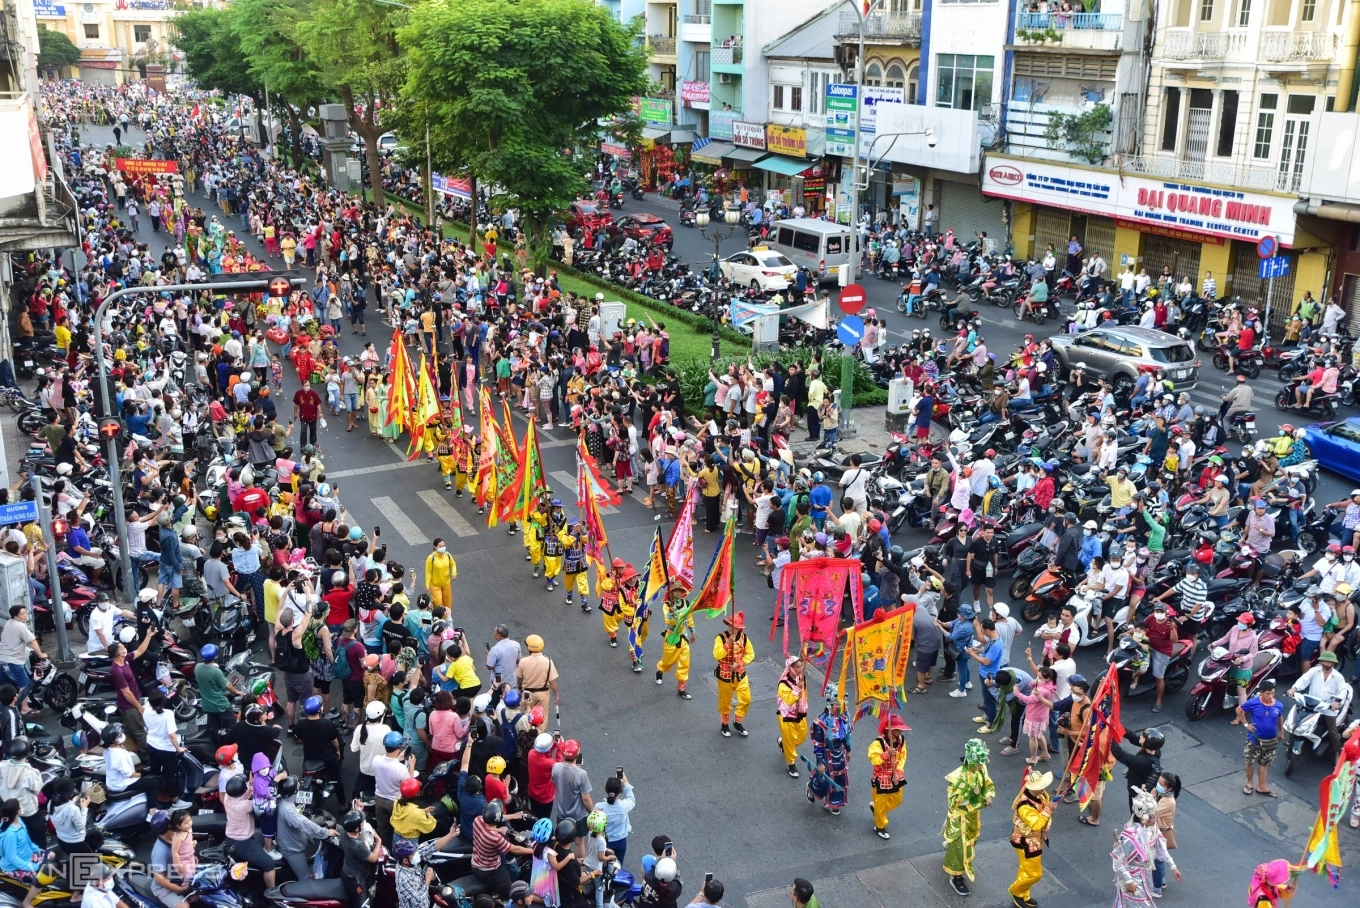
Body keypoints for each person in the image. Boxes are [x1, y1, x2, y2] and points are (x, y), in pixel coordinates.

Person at [942, 738, 995, 897]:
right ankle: (956, 876)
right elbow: (953, 802)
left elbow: (988, 785)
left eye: (981, 763)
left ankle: (950, 847)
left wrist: (988, 795)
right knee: (960, 847)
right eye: (978, 762)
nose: (981, 766)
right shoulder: (958, 777)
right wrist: (970, 793)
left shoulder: (981, 769)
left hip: (973, 817)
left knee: (970, 843)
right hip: (960, 819)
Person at [1111, 789, 1179, 907]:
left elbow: (1161, 848)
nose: (1155, 819)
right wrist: (1128, 881)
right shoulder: (1130, 836)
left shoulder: (1153, 828)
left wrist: (1172, 866)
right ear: (1144, 818)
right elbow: (1117, 860)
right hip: (1133, 876)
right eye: (1152, 817)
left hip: (1146, 874)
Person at [1287, 650, 1349, 758]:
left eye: (1328, 662)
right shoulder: (1314, 671)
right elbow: (1304, 680)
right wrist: (1294, 688)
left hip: (1328, 707)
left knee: (1333, 731)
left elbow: (1342, 690)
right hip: (1311, 703)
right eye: (1323, 661)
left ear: (1333, 664)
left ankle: (1337, 755)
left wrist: (1336, 701)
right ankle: (1291, 740)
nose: (1325, 663)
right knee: (1296, 720)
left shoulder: (1338, 677)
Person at [276, 775, 339, 881]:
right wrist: (326, 832)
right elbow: (304, 824)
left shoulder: (280, 800)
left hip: (290, 837)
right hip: (292, 849)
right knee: (305, 878)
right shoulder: (289, 812)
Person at [223, 773, 278, 888]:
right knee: (269, 865)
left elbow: (246, 792)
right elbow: (264, 801)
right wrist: (275, 783)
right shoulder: (243, 806)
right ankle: (272, 894)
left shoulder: (228, 797)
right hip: (242, 843)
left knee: (260, 836)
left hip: (235, 838)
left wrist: (251, 782)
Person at [1008, 769, 1053, 908]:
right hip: (1025, 842)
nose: (1043, 789)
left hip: (1034, 840)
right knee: (1035, 874)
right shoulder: (1024, 806)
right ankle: (1015, 891)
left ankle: (1023, 894)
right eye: (1040, 787)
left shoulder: (1040, 795)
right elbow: (1036, 824)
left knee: (1025, 869)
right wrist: (1048, 810)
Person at [471, 800, 535, 898]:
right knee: (511, 892)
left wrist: (511, 818)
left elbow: (488, 827)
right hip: (490, 871)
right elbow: (515, 850)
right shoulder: (495, 838)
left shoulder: (477, 820)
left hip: (476, 862)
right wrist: (533, 850)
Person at [807, 684, 851, 815]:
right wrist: (820, 762)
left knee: (839, 778)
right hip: (826, 754)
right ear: (830, 704)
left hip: (839, 753)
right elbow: (819, 744)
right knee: (824, 779)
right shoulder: (820, 722)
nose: (840, 706)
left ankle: (832, 803)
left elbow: (845, 736)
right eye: (837, 704)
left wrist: (848, 750)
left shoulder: (843, 718)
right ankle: (811, 788)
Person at [867, 712, 909, 839]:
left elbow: (903, 756)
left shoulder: (901, 740)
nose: (900, 731)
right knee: (881, 802)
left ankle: (878, 810)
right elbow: (874, 759)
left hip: (896, 775)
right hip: (882, 777)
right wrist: (885, 755)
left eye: (901, 729)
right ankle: (880, 826)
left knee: (898, 799)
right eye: (897, 729)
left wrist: (900, 771)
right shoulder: (878, 743)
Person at [713, 612, 754, 738]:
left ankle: (737, 722)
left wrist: (740, 663)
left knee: (746, 699)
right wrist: (727, 644)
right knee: (725, 703)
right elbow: (717, 654)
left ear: (739, 628)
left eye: (735, 627)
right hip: (725, 677)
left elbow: (750, 654)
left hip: (740, 675)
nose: (732, 629)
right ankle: (724, 724)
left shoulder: (744, 638)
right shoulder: (720, 638)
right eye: (730, 626)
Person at [552, 739, 594, 859]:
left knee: (563, 841)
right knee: (579, 842)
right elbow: (586, 797)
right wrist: (592, 811)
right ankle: (579, 869)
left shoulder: (555, 767)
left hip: (561, 812)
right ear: (577, 754)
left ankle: (562, 863)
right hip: (578, 815)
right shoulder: (581, 774)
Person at [656, 584, 695, 700]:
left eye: (679, 591)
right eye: (675, 591)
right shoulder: (667, 605)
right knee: (668, 661)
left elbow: (689, 619)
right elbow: (669, 622)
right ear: (671, 593)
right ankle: (660, 671)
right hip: (672, 637)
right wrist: (671, 612)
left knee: (685, 663)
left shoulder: (686, 603)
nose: (677, 593)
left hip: (683, 637)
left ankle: (681, 688)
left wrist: (692, 632)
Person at [196, 643, 243, 740]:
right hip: (220, 704)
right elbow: (228, 685)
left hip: (207, 705)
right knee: (232, 723)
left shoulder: (198, 668)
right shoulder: (216, 672)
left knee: (215, 728)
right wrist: (237, 691)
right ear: (215, 657)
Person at [339, 806, 383, 908]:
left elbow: (350, 820)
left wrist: (357, 810)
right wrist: (379, 841)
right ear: (356, 828)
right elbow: (373, 858)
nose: (364, 823)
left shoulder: (343, 831)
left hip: (346, 871)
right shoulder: (358, 846)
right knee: (363, 902)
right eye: (361, 822)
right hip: (357, 880)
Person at [775, 655, 808, 778]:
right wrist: (796, 690)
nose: (800, 668)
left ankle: (783, 743)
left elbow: (805, 694)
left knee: (801, 736)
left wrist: (804, 705)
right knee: (790, 743)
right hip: (786, 716)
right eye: (798, 666)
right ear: (791, 668)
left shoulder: (802, 678)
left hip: (800, 714)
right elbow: (788, 701)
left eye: (801, 666)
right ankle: (791, 763)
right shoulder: (783, 685)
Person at [516, 635, 560, 713]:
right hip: (542, 694)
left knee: (528, 716)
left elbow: (520, 678)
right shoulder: (548, 661)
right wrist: (556, 695)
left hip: (527, 693)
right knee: (541, 717)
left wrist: (520, 688)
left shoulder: (523, 661)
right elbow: (552, 682)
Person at [600, 773, 635, 866]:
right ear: (620, 792)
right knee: (618, 864)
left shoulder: (599, 807)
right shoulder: (624, 806)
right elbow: (631, 799)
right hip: (620, 841)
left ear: (605, 790)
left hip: (604, 841)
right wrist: (625, 782)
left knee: (602, 863)